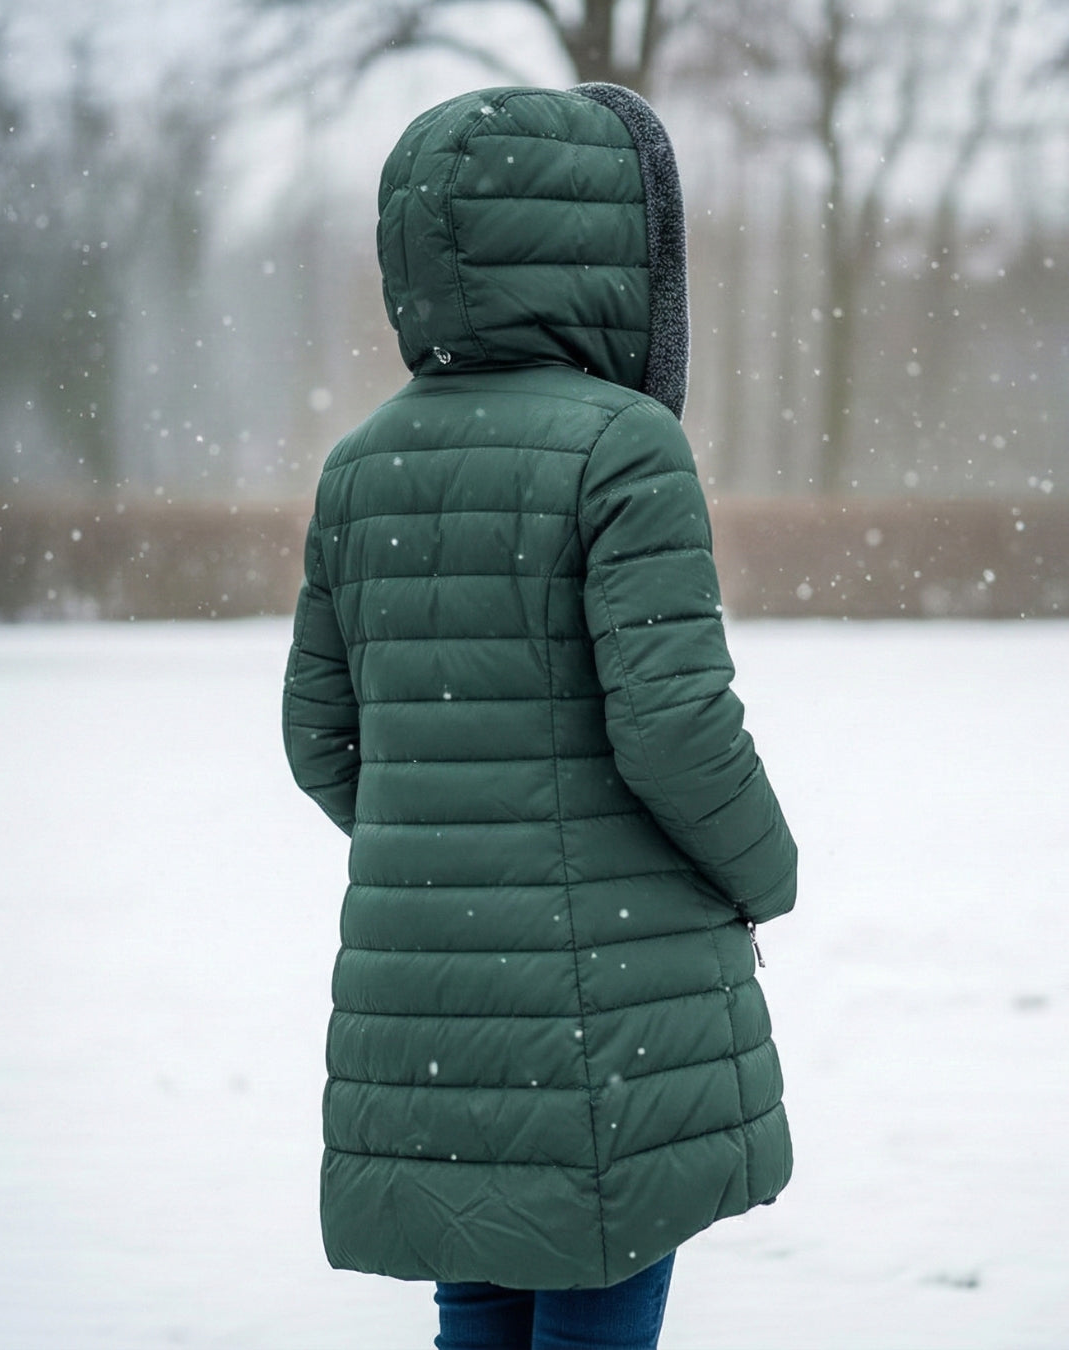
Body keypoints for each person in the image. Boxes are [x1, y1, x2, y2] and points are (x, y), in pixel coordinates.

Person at [283, 83, 798, 1350]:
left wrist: (452, 845)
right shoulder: (624, 445)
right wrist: (764, 871)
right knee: (600, 1292)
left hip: (436, 996)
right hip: (605, 995)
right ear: (614, 253)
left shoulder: (362, 464)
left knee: (485, 1286)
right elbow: (675, 726)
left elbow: (319, 736)